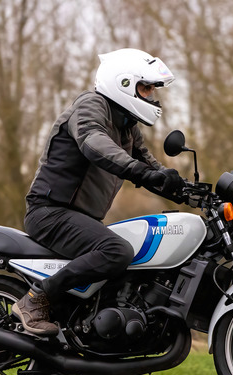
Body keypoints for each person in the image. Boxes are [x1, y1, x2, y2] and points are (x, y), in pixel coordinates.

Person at [11, 48, 185, 336]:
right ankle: (35, 299)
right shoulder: (91, 106)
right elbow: (95, 143)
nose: (151, 96)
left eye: (153, 90)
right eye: (145, 87)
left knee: (132, 259)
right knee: (117, 251)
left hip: (81, 219)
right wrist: (144, 173)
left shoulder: (127, 126)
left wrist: (183, 188)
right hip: (50, 212)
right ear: (123, 83)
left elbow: (149, 165)